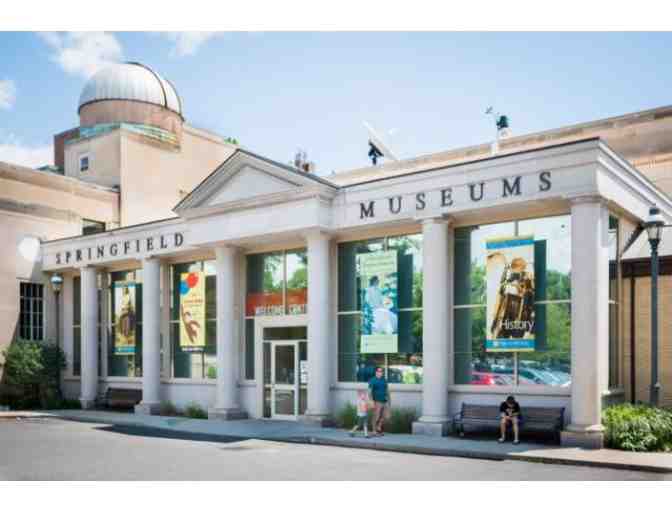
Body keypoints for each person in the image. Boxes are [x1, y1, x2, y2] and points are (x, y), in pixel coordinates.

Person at [368, 367, 390, 436]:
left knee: (386, 416)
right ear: (376, 372)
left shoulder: (384, 380)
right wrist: (371, 401)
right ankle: (374, 431)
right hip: (377, 401)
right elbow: (369, 392)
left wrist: (389, 401)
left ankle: (378, 427)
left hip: (384, 401)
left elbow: (387, 391)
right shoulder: (372, 380)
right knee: (376, 416)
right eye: (379, 371)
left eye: (381, 371)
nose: (380, 372)